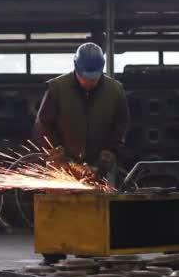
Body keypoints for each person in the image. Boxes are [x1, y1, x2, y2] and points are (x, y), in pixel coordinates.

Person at [34, 43, 130, 264]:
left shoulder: (115, 90)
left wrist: (109, 152)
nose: (89, 81)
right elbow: (42, 124)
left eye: (94, 77)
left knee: (91, 217)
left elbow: (121, 124)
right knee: (57, 213)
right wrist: (56, 154)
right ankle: (53, 258)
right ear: (76, 67)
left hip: (96, 165)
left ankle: (89, 257)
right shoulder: (57, 88)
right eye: (85, 76)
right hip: (61, 165)